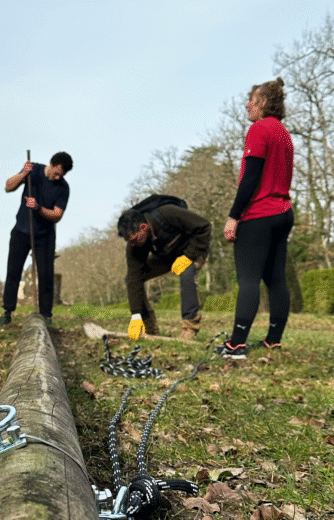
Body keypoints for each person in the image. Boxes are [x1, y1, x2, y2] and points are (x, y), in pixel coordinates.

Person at [218, 77, 294, 359]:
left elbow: (250, 177)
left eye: (251, 100)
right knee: (276, 280)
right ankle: (273, 340)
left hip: (260, 214)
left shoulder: (259, 129)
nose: (247, 105)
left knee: (248, 280)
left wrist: (233, 216)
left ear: (262, 102)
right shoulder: (284, 133)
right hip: (283, 212)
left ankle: (236, 345)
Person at [0, 152, 73, 327]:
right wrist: (23, 174)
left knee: (46, 275)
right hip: (21, 230)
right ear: (52, 164)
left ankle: (46, 316)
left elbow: (57, 215)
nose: (57, 178)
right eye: (56, 173)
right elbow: (8, 187)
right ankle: (7, 312)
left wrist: (38, 208)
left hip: (45, 235)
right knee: (13, 272)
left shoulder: (63, 187)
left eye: (61, 175)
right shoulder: (32, 170)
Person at [117, 202, 211, 341]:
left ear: (143, 227)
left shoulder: (168, 213)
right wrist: (136, 315)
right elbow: (134, 277)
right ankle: (149, 327)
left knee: (187, 273)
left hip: (193, 250)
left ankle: (190, 328)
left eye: (134, 239)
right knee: (132, 280)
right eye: (128, 241)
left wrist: (188, 256)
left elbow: (204, 227)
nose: (132, 244)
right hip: (167, 257)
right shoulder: (134, 245)